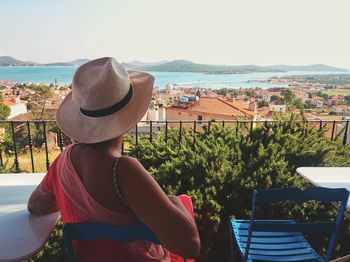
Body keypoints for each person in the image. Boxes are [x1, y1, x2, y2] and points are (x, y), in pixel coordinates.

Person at [27, 57, 200, 261]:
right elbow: (190, 246)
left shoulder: (63, 161)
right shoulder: (123, 170)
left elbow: (36, 205)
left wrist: (79, 202)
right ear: (128, 118)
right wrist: (174, 202)